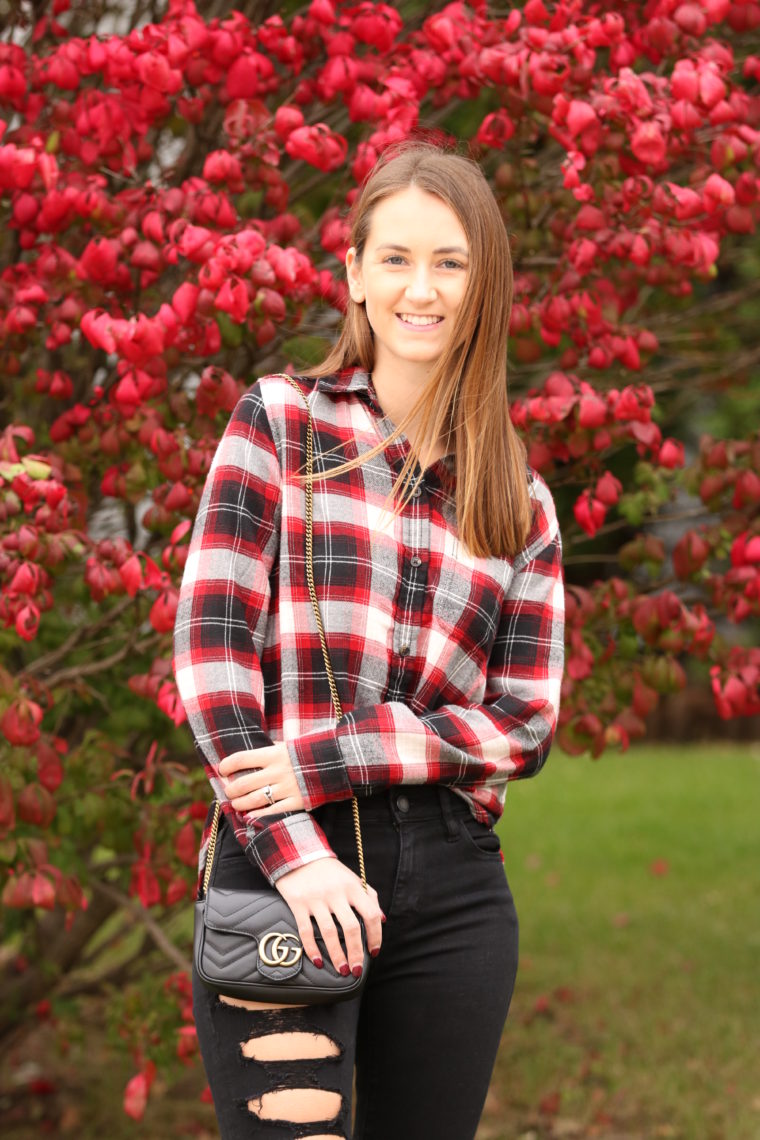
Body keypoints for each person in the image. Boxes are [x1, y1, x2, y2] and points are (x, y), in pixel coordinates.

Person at [173, 140, 565, 1140]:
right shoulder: (279, 425)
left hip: (452, 893)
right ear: (352, 274)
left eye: (450, 262)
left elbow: (522, 723)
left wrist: (334, 757)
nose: (420, 289)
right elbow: (214, 656)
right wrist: (297, 854)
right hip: (280, 863)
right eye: (394, 258)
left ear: (484, 285)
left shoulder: (517, 502)